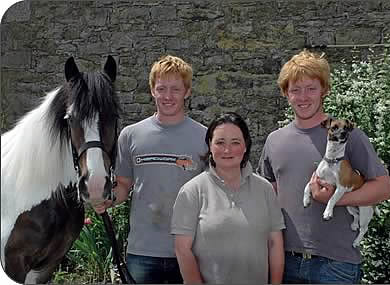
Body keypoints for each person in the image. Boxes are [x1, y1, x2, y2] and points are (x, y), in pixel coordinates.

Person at [257, 50, 390, 284]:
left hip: (336, 265)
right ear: (285, 93)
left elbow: (384, 188)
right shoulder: (274, 140)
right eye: (295, 90)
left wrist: (337, 200)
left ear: (324, 91)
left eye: (311, 88)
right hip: (285, 260)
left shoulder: (349, 136)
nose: (303, 97)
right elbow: (266, 194)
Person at [93, 55, 208, 283]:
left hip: (190, 251)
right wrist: (108, 199)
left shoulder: (205, 137)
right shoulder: (131, 135)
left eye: (175, 89)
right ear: (152, 90)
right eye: (161, 88)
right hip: (142, 251)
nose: (167, 96)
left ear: (187, 92)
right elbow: (124, 185)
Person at [171, 112, 285, 284]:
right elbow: (182, 249)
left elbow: (275, 244)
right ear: (210, 145)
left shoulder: (265, 189)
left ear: (245, 146)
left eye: (235, 142)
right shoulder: (192, 191)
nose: (227, 150)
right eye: (220, 142)